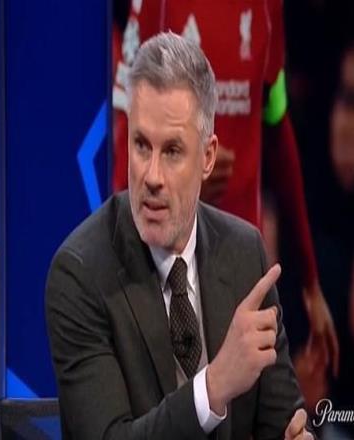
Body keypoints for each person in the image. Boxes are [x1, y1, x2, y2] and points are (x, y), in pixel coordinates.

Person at [46, 32, 314, 439]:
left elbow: (284, 422)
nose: (152, 176)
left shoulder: (245, 256)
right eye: (141, 146)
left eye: (172, 151)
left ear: (207, 157)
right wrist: (214, 386)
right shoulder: (81, 275)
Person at [112, 0, 339, 378]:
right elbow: (126, 151)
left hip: (241, 282)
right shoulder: (156, 6)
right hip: (164, 279)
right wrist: (182, 185)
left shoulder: (268, 7)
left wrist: (311, 282)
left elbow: (276, 122)